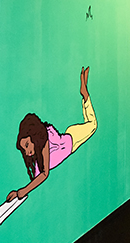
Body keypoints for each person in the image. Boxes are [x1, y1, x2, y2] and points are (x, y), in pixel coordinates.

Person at [7, 66, 96, 201]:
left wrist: (22, 192)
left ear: (33, 137)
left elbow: (45, 174)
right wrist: (18, 193)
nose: (27, 152)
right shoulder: (36, 156)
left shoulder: (43, 142)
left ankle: (85, 95)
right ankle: (85, 94)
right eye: (24, 149)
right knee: (90, 124)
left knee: (93, 125)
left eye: (27, 145)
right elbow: (38, 174)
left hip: (72, 139)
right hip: (65, 139)